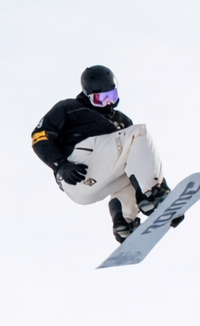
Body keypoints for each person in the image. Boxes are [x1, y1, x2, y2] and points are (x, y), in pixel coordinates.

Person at [31, 66, 172, 242]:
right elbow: (39, 136)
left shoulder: (121, 120)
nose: (108, 103)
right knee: (139, 133)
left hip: (89, 187)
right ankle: (154, 192)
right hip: (77, 166)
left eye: (111, 96)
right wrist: (60, 164)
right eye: (100, 98)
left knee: (132, 173)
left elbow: (141, 160)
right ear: (87, 95)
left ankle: (124, 221)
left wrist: (169, 211)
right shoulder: (69, 107)